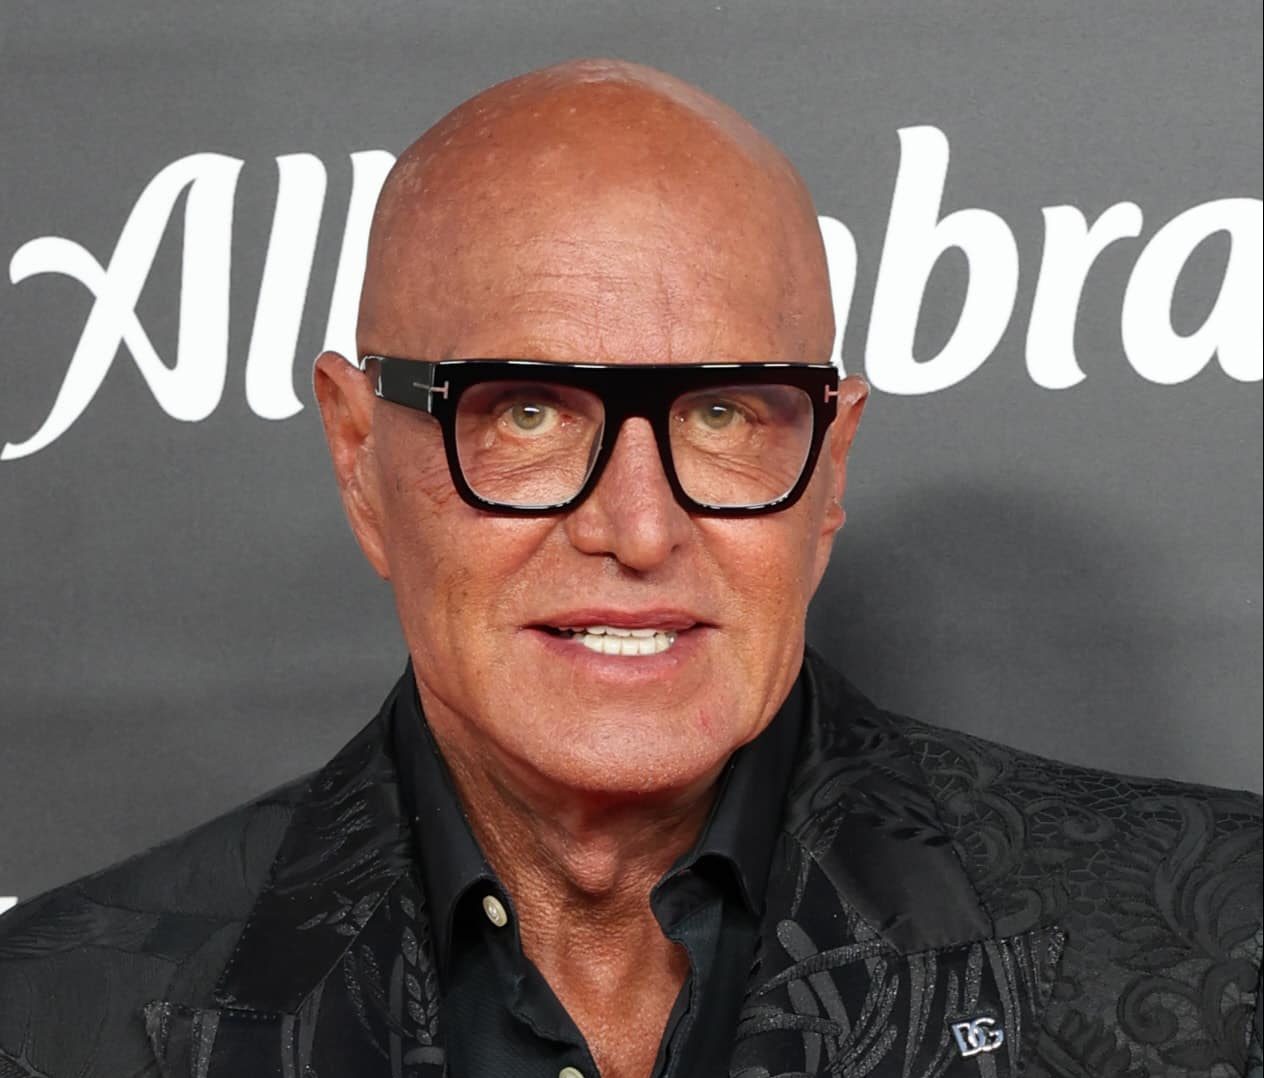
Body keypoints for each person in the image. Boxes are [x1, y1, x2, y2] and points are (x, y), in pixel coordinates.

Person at [0, 58, 1260, 1078]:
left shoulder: (1227, 965)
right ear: (355, 456)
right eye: (528, 413)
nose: (639, 529)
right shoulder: (51, 1021)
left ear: (828, 470)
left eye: (722, 415)